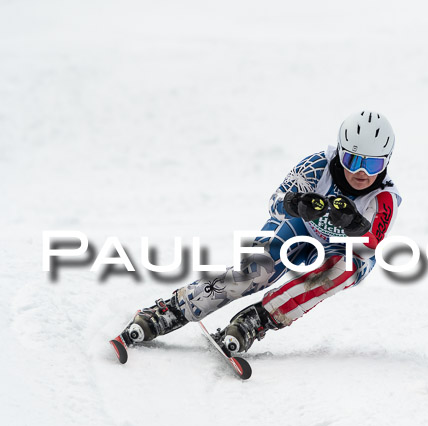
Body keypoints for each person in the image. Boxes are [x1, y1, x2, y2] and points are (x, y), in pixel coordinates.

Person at [115, 110, 402, 355]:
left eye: (373, 163)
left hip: (340, 249)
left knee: (343, 269)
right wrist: (299, 205)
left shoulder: (383, 198)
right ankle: (174, 309)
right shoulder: (318, 166)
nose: (362, 172)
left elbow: (369, 252)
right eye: (353, 160)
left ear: (386, 161)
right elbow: (276, 203)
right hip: (302, 228)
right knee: (258, 269)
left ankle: (257, 320)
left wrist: (355, 226)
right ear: (340, 153)